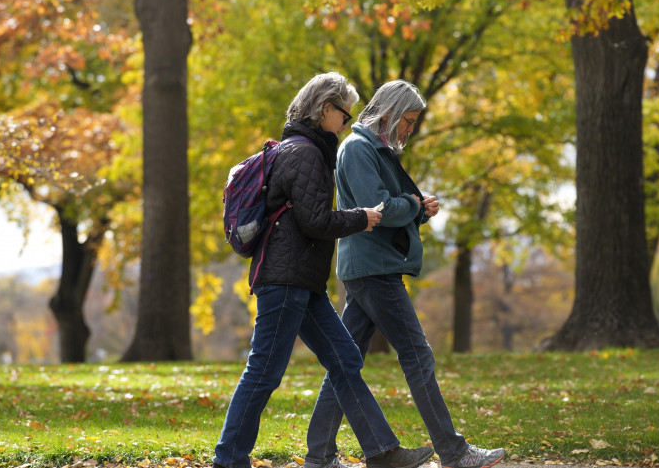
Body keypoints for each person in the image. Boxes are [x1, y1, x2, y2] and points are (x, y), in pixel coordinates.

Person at [213, 73, 435, 468]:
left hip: (304, 280)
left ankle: (381, 452)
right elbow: (314, 221)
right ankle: (229, 459)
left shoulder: (305, 150)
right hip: (285, 280)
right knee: (264, 372)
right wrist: (360, 218)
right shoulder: (305, 153)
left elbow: (307, 219)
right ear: (325, 108)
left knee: (346, 359)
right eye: (344, 115)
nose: (346, 124)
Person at [303, 80, 507, 468]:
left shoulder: (369, 148)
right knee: (417, 356)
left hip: (367, 267)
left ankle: (319, 457)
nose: (410, 130)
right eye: (408, 121)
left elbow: (392, 210)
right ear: (390, 114)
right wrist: (413, 204)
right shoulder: (360, 147)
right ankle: (455, 452)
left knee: (345, 363)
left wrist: (416, 210)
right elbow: (376, 208)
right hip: (374, 268)